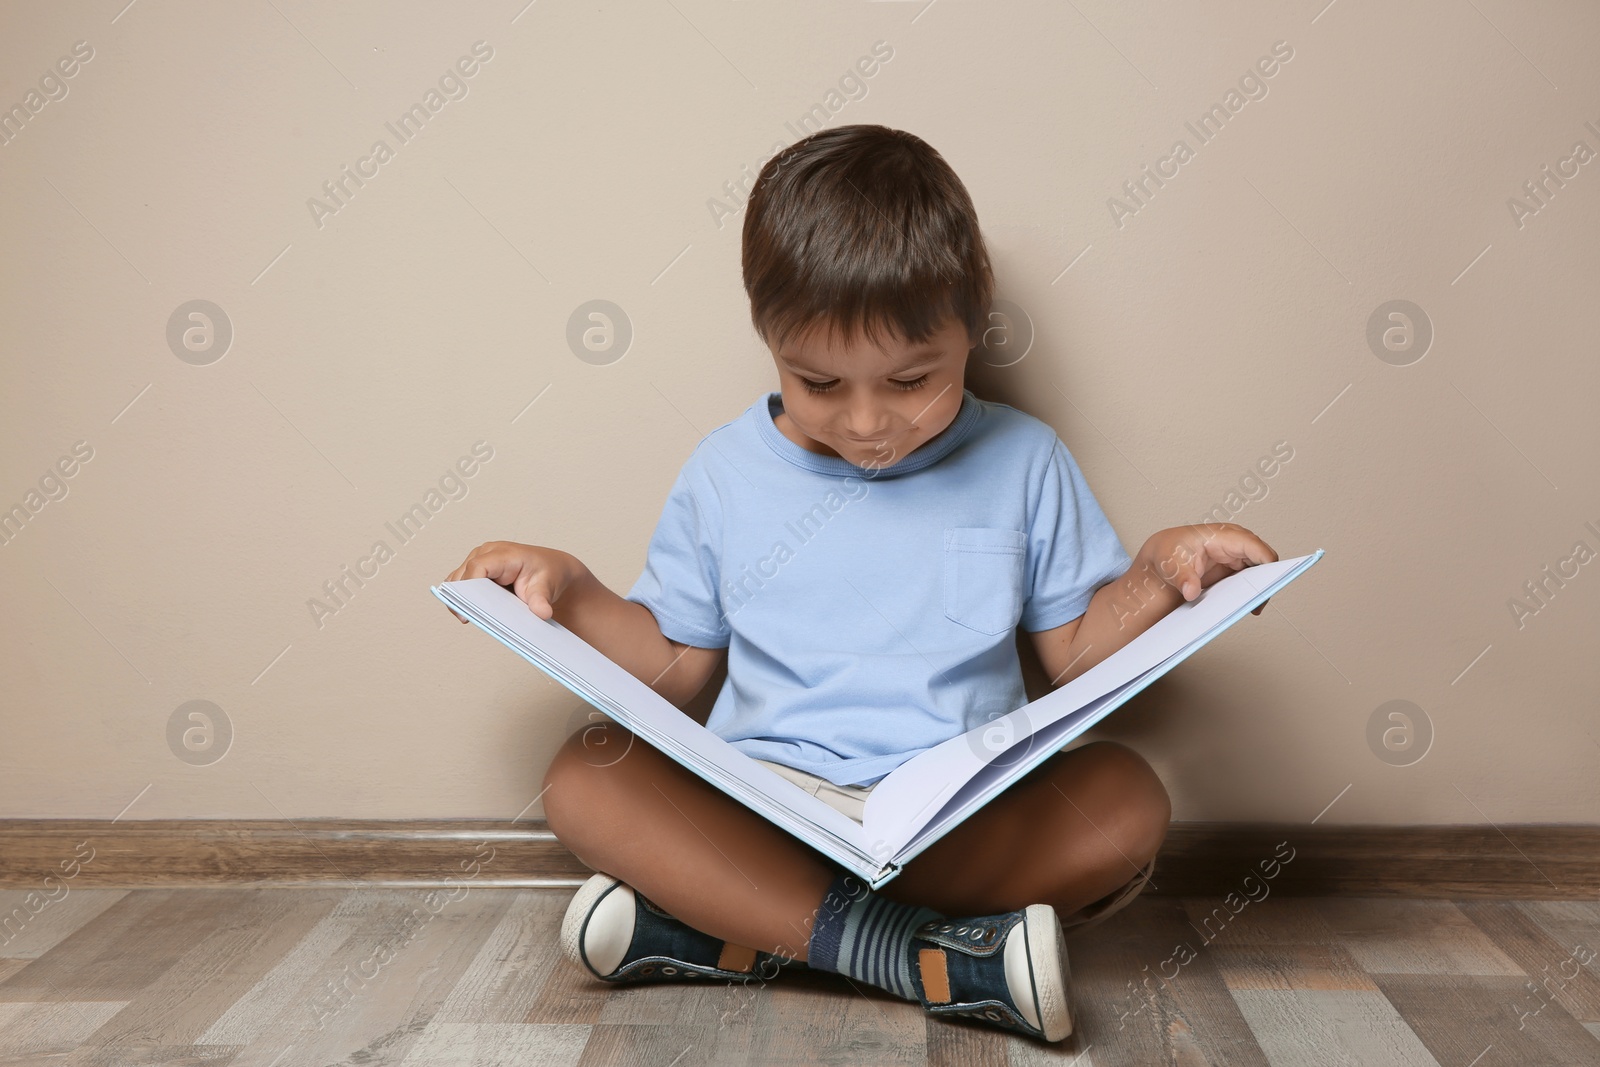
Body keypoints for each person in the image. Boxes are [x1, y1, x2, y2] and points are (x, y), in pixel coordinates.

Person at [442, 124, 1278, 1043]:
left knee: (1128, 799)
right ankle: (923, 955)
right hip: (763, 808)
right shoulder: (724, 473)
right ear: (769, 340)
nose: (869, 421)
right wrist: (572, 590)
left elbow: (1075, 656)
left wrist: (1160, 573)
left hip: (951, 822)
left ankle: (727, 927)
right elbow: (677, 671)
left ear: (973, 331)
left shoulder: (1023, 460)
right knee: (584, 772)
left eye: (913, 379)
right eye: (820, 383)